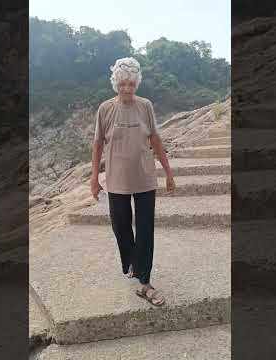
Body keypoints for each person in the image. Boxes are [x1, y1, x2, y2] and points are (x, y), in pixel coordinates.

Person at [90, 57, 176, 307]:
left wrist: (169, 173)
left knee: (146, 229)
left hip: (145, 178)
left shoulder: (145, 106)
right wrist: (94, 177)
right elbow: (97, 145)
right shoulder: (105, 109)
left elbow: (156, 140)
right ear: (116, 82)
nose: (127, 88)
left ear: (137, 83)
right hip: (116, 180)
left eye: (131, 84)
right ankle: (131, 263)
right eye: (123, 83)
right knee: (121, 227)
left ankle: (145, 283)